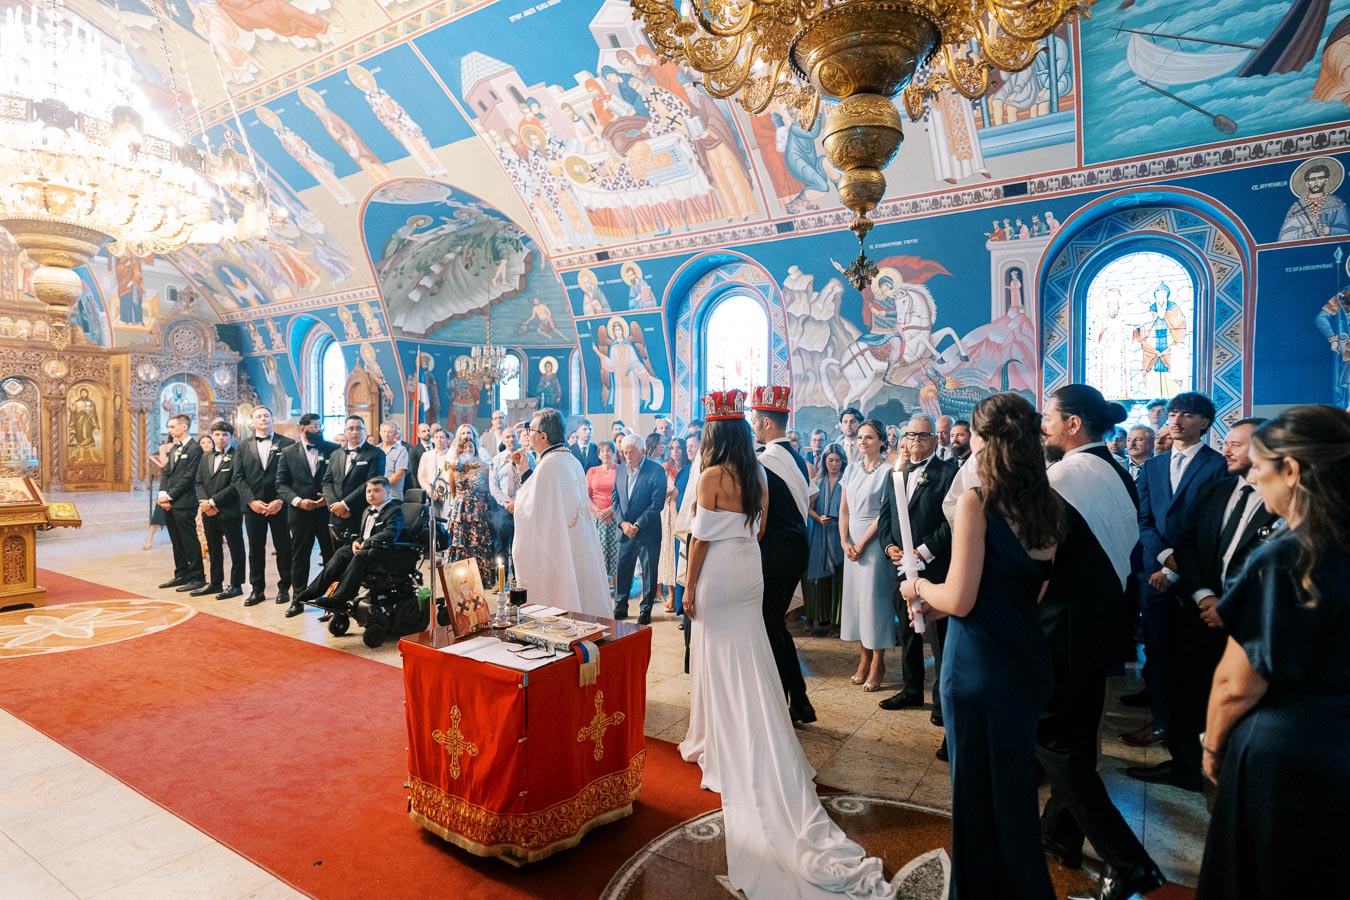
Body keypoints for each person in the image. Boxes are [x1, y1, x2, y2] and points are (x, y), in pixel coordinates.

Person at [679, 390, 893, 899]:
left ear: (714, 434)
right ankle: (748, 728)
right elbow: (756, 531)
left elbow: (699, 538)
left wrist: (688, 586)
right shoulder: (756, 473)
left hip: (720, 574)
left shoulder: (712, 476)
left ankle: (724, 740)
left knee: (721, 656)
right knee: (751, 654)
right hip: (748, 571)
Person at [900, 392, 1063, 900]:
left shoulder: (978, 501)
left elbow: (962, 599)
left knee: (974, 794)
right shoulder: (1049, 504)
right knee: (1013, 793)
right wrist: (942, 601)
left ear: (987, 441)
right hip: (1026, 657)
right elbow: (1030, 589)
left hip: (978, 665)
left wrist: (918, 590)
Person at [1195, 405, 1350, 900]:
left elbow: (1236, 684)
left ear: (1294, 469)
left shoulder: (1288, 554)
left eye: (1261, 466)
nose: (1254, 477)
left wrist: (1214, 747)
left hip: (1290, 748)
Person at [1038, 386, 1163, 900]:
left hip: (1063, 629)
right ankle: (1058, 835)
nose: (1041, 426)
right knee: (1078, 737)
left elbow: (1041, 556)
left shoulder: (1065, 476)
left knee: (1052, 741)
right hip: (1102, 625)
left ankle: (1127, 860)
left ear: (1072, 424)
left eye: (1048, 418)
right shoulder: (1112, 469)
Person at [1128, 418, 1278, 797]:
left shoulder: (1283, 502)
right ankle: (1184, 765)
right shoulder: (1216, 491)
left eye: (1236, 445)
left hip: (1252, 621)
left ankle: (1230, 772)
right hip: (1200, 609)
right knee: (1189, 687)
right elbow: (1188, 544)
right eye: (1225, 443)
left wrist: (1231, 605)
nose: (1225, 450)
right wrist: (1204, 596)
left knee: (1241, 696)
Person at [1128, 392, 1227, 758]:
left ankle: (1187, 732)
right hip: (1156, 568)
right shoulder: (1154, 467)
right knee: (1155, 649)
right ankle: (1159, 720)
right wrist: (1166, 557)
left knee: (1189, 657)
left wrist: (1177, 570)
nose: (1176, 420)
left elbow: (1212, 525)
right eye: (1173, 414)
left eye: (1186, 414)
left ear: (1203, 422)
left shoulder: (1218, 466)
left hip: (1198, 577)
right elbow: (1143, 519)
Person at [878, 415, 959, 739]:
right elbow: (886, 515)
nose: (913, 442)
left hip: (933, 567)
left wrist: (922, 553)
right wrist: (889, 548)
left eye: (921, 436)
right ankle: (911, 690)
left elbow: (951, 524)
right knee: (907, 630)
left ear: (935, 440)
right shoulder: (896, 473)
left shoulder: (948, 474)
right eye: (909, 435)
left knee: (938, 639)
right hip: (899, 568)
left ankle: (941, 704)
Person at [749, 385, 816, 724]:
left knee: (769, 624)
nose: (753, 425)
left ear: (766, 423)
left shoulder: (767, 460)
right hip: (795, 548)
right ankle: (798, 700)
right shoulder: (798, 459)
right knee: (773, 624)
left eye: (755, 420)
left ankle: (791, 700)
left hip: (776, 553)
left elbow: (760, 509)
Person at [511, 408, 610, 617]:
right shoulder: (570, 461)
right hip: (577, 541)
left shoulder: (549, 465)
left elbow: (528, 509)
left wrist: (522, 482)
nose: (528, 434)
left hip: (557, 546)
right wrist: (525, 471)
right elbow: (546, 501)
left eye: (531, 429)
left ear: (543, 436)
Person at [838, 419, 896, 693]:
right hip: (851, 542)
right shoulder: (851, 469)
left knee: (875, 603)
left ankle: (878, 663)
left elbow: (884, 513)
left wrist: (861, 543)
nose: (863, 442)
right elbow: (844, 511)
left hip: (874, 542)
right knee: (857, 603)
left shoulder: (888, 471)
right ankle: (863, 659)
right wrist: (844, 541)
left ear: (882, 441)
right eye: (860, 437)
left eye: (869, 437)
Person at [292, 477, 405, 612]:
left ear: (388, 493)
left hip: (384, 552)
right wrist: (356, 542)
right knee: (342, 552)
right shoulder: (367, 510)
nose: (371, 494)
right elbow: (361, 534)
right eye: (368, 491)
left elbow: (390, 533)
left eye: (376, 491)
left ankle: (339, 598)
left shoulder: (394, 510)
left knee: (360, 557)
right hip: (368, 549)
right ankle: (315, 590)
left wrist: (366, 543)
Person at [232, 406, 294, 607]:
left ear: (272, 418)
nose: (263, 419)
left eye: (266, 415)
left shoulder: (287, 444)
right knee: (255, 549)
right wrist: (252, 501)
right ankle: (257, 589)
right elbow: (238, 478)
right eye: (258, 416)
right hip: (253, 506)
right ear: (252, 422)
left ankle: (284, 587)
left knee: (283, 547)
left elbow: (292, 477)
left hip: (279, 505)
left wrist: (280, 499)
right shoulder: (242, 446)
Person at [278, 414, 338, 616]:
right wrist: (298, 501)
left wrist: (326, 500)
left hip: (326, 512)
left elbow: (337, 479)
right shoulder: (288, 452)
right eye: (314, 426)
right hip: (300, 513)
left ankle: (332, 599)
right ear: (302, 428)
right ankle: (298, 599)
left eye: (320, 425)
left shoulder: (332, 449)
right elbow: (281, 484)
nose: (319, 429)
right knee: (300, 556)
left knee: (332, 556)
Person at [611, 432, 667, 624]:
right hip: (625, 530)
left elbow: (656, 503)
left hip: (647, 531)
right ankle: (620, 607)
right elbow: (615, 498)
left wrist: (637, 525)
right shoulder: (620, 470)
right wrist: (622, 523)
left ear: (642, 451)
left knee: (649, 572)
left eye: (631, 452)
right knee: (622, 570)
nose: (627, 456)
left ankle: (645, 610)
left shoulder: (656, 471)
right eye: (624, 452)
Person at [193, 421, 246, 600]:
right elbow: (199, 482)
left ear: (231, 437)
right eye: (217, 435)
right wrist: (205, 503)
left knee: (235, 547)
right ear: (212, 436)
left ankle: (236, 584)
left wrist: (214, 501)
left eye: (224, 435)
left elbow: (236, 484)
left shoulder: (238, 456)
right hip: (208, 511)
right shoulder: (206, 457)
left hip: (229, 510)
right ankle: (215, 582)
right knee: (213, 547)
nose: (221, 438)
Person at [157, 414, 206, 592]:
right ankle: (181, 574)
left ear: (184, 427)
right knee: (176, 540)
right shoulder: (174, 448)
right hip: (170, 501)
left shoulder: (195, 449)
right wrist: (163, 493)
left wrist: (169, 496)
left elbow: (189, 477)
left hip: (185, 501)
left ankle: (197, 577)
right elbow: (166, 472)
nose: (169, 430)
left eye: (172, 427)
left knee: (189, 540)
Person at [803, 443, 846, 636]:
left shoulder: (847, 480)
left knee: (838, 576)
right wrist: (818, 518)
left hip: (838, 532)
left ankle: (836, 623)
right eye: (831, 460)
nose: (834, 464)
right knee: (817, 575)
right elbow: (809, 507)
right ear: (825, 461)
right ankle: (815, 618)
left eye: (837, 460)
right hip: (820, 532)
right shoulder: (818, 481)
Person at [323, 416, 385, 546]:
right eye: (351, 429)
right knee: (337, 557)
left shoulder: (376, 454)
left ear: (364, 430)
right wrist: (335, 506)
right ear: (345, 431)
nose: (355, 432)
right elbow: (327, 482)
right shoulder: (336, 454)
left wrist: (345, 504)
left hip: (360, 511)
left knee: (360, 558)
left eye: (358, 428)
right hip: (337, 514)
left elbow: (371, 483)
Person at [446, 424, 495, 585]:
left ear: (475, 449)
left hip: (478, 509)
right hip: (461, 509)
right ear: (460, 450)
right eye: (465, 447)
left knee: (478, 543)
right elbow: (453, 491)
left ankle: (481, 578)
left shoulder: (483, 466)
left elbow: (488, 487)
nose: (468, 449)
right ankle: (461, 580)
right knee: (462, 545)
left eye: (471, 447)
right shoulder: (455, 468)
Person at [660, 437, 689, 611]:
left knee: (680, 552)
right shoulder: (666, 469)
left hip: (682, 512)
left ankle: (679, 594)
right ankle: (671, 595)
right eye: (672, 448)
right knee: (669, 551)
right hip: (668, 516)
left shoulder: (688, 468)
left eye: (678, 448)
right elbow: (661, 492)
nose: (675, 451)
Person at [488, 429, 527, 559]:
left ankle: (520, 578)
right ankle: (502, 577)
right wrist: (507, 503)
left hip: (522, 506)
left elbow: (531, 481)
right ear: (503, 440)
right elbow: (493, 486)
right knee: (501, 545)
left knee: (521, 547)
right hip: (503, 507)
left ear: (517, 438)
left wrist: (518, 502)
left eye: (513, 436)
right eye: (508, 437)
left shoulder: (527, 457)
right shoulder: (497, 460)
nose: (511, 439)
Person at [587, 440, 620, 592]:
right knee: (596, 552)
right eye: (602, 451)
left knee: (615, 552)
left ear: (613, 453)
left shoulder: (620, 470)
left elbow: (624, 495)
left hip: (615, 516)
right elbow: (586, 495)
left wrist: (609, 511)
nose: (605, 453)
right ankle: (598, 588)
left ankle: (616, 587)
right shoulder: (592, 471)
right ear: (598, 454)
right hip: (596, 517)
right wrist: (599, 512)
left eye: (608, 450)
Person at [144, 441, 170, 550]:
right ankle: (149, 539)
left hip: (181, 482)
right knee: (158, 512)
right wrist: (163, 451)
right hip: (167, 481)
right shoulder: (166, 447)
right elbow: (161, 462)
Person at [417, 426, 454, 495]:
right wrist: (429, 490)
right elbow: (421, 476)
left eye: (442, 437)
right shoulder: (426, 455)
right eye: (436, 437)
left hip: (448, 494)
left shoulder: (453, 456)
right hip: (431, 494)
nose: (439, 440)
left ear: (447, 440)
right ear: (433, 439)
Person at [377, 421, 408, 500]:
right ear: (380, 433)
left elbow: (399, 475)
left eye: (390, 432)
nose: (386, 434)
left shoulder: (401, 450)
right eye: (384, 431)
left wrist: (382, 487)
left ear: (395, 434)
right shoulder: (375, 450)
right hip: (375, 494)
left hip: (393, 495)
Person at [407, 421, 433, 491]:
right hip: (420, 486)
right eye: (423, 431)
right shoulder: (414, 450)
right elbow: (414, 470)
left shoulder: (436, 446)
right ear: (418, 434)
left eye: (428, 430)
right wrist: (426, 483)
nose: (427, 433)